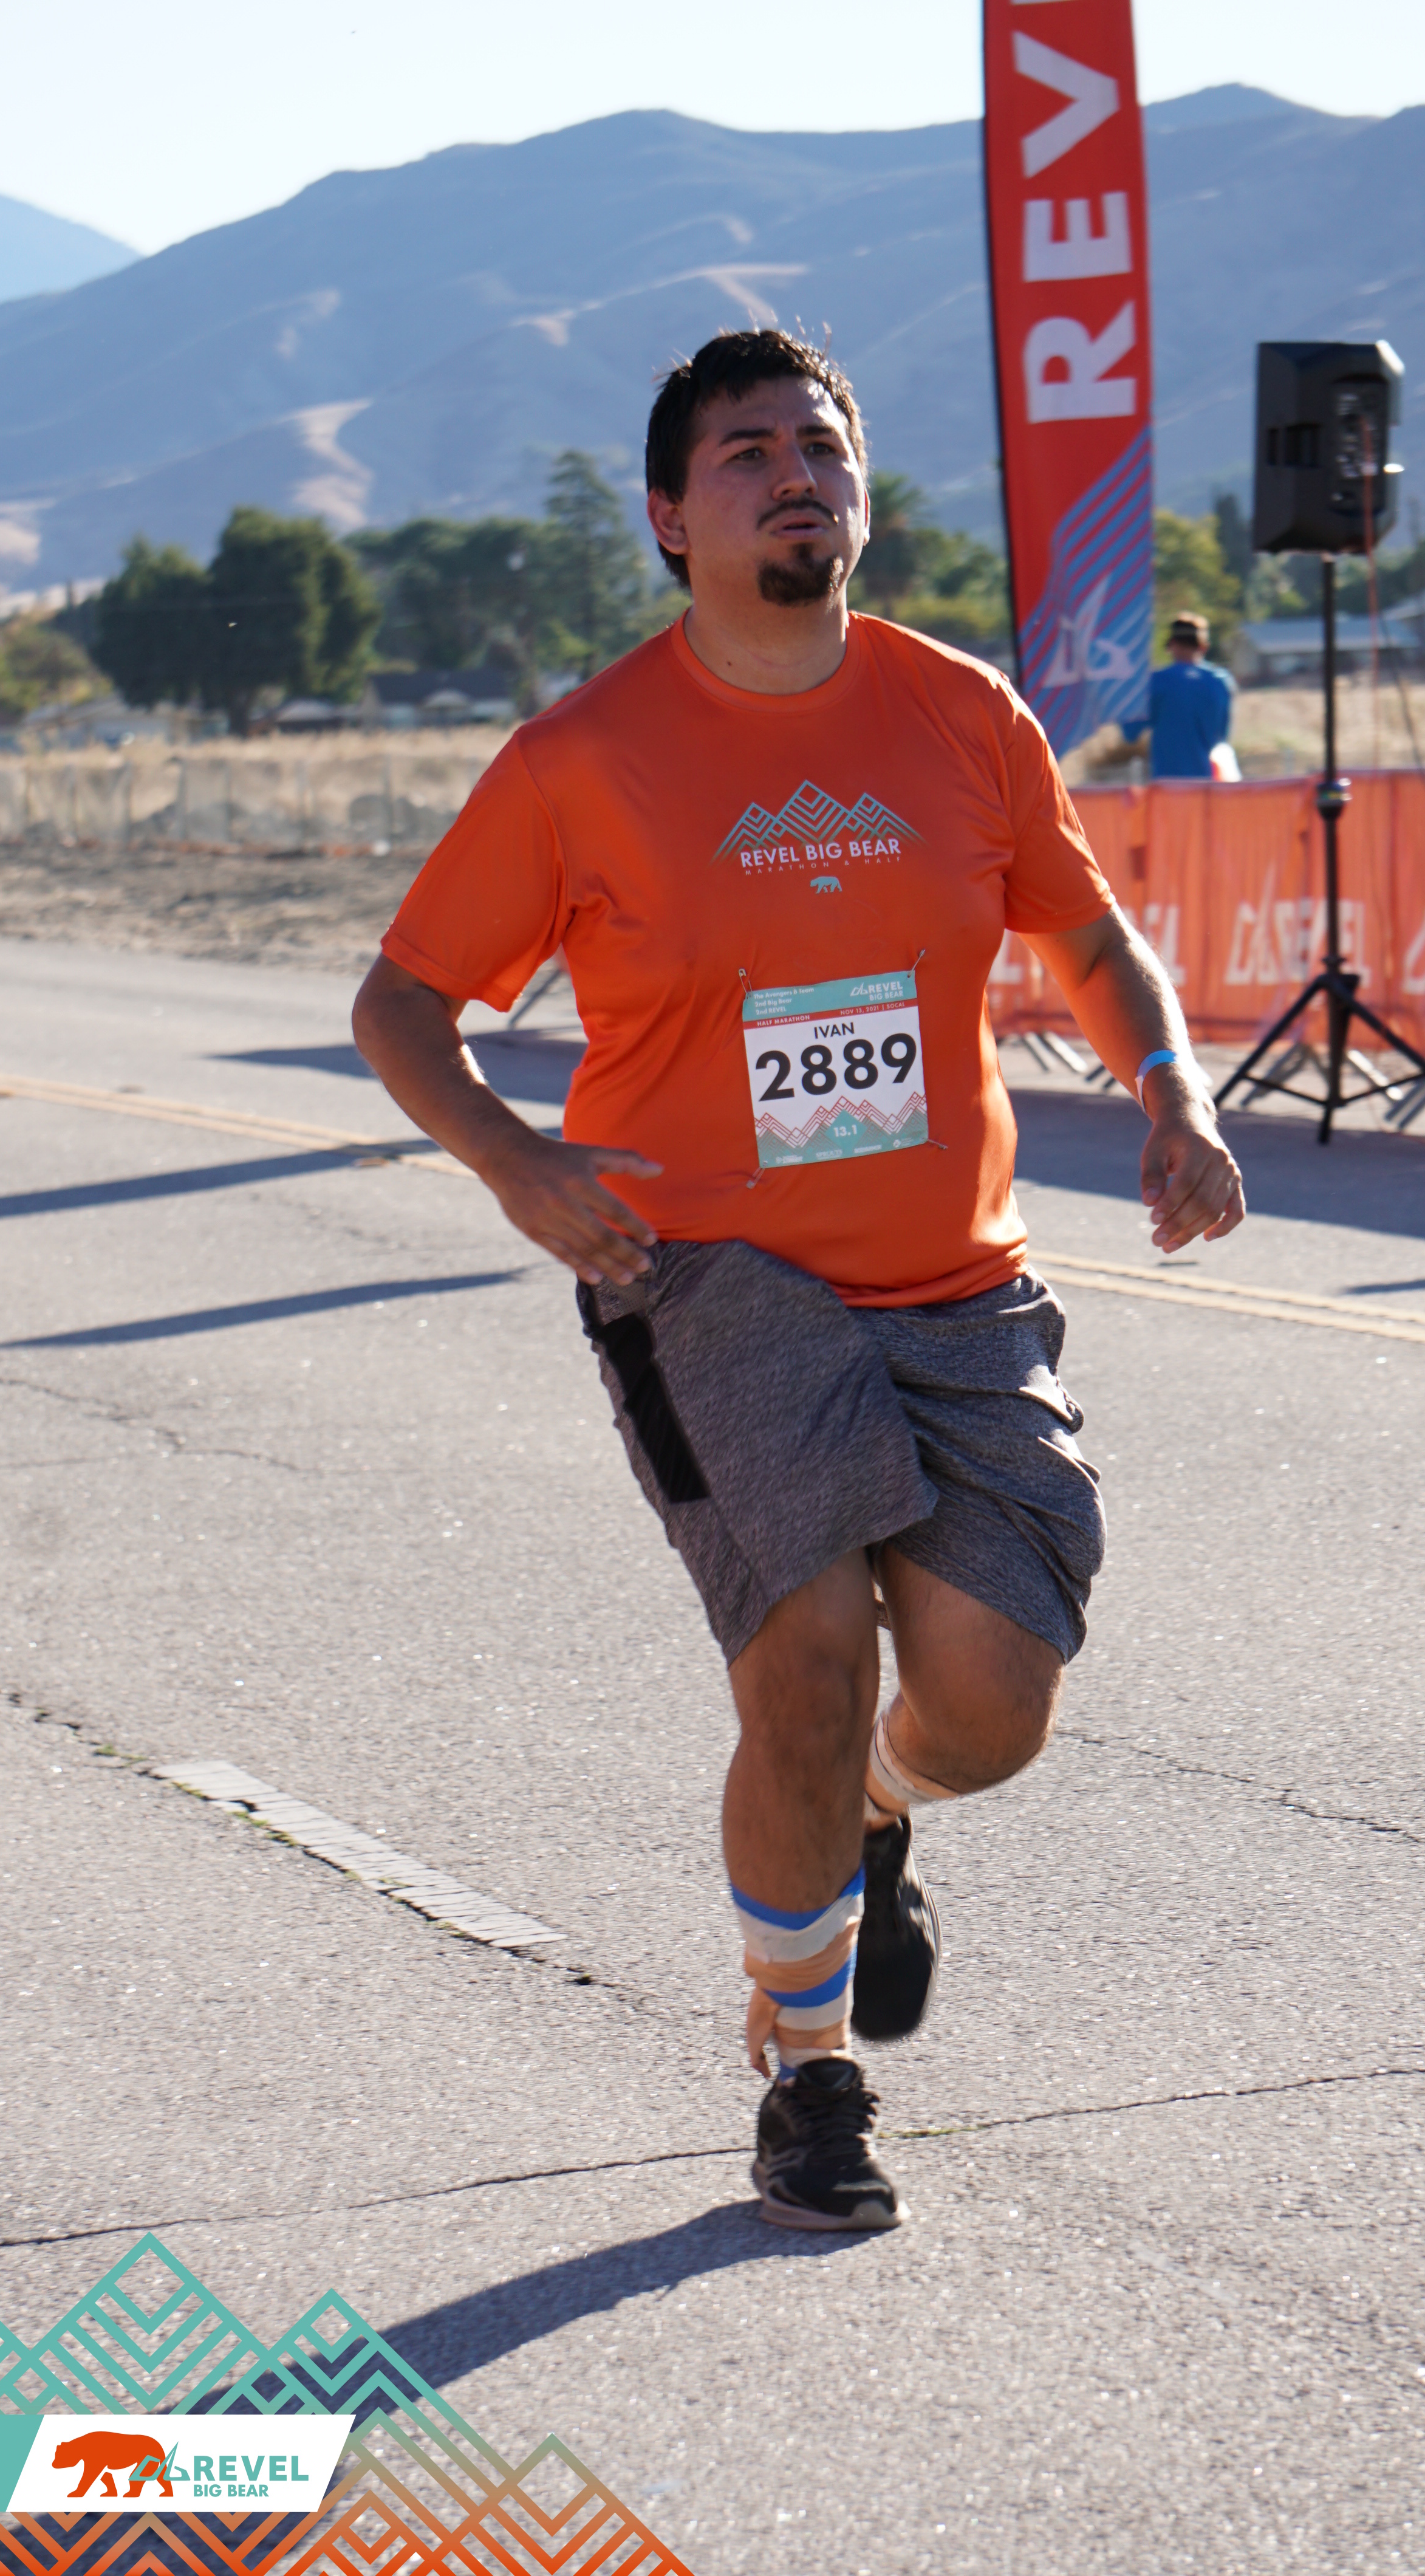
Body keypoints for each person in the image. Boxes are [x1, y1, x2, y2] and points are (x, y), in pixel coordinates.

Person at [353, 329, 1245, 2233]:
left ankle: (877, 1814)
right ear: (670, 519)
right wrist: (517, 1163)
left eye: (821, 447)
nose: (794, 476)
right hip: (704, 1275)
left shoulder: (961, 717)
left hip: (956, 1281)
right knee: (810, 1657)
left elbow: (1091, 942)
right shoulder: (584, 759)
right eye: (747, 453)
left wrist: (1173, 1097)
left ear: (861, 494)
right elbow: (403, 1003)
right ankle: (807, 2066)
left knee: (991, 1706)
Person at [1124, 612, 1237, 779]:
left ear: (1172, 645)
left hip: (1169, 785)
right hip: (1209, 785)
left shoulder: (1156, 683)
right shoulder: (1221, 682)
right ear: (1203, 647)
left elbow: (1130, 732)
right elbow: (1222, 737)